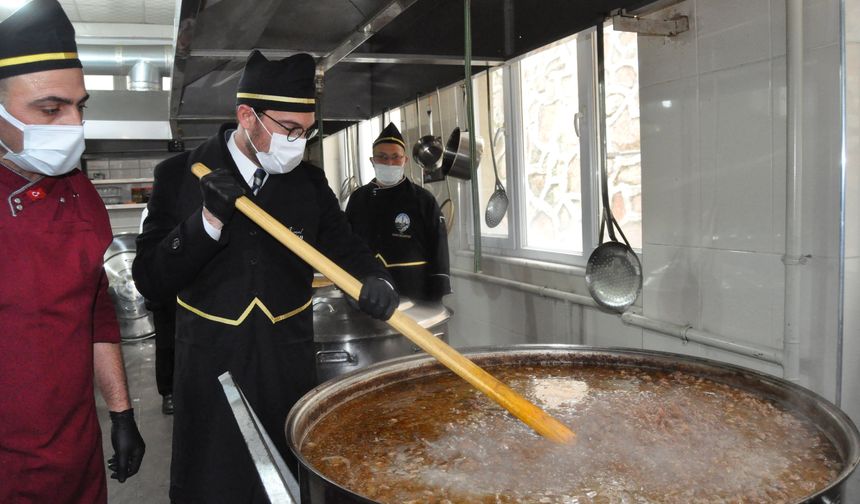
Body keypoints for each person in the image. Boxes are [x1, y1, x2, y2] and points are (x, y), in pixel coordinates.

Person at [132, 50, 399, 503]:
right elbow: (150, 280)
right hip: (211, 368)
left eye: (307, 132)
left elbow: (346, 247)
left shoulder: (309, 183)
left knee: (288, 484)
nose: (298, 143)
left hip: (287, 364)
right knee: (215, 484)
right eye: (289, 130)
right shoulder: (180, 175)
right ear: (246, 116)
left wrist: (376, 279)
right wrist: (205, 223)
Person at [0, 1, 146, 502]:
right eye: (49, 109)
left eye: (79, 106)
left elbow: (96, 315)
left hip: (77, 456)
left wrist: (121, 412)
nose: (71, 124)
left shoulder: (80, 194)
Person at [346, 123, 452, 302]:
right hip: (368, 288)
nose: (389, 162)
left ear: (405, 161)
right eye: (382, 157)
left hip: (414, 287)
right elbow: (346, 241)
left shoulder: (423, 200)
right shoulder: (358, 198)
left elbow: (438, 246)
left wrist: (437, 293)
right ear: (372, 160)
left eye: (396, 157)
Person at [140, 207, 176, 415]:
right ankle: (168, 393)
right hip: (164, 290)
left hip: (188, 286)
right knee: (166, 344)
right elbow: (146, 253)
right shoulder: (151, 212)